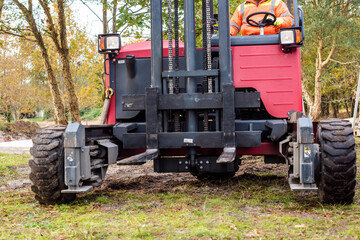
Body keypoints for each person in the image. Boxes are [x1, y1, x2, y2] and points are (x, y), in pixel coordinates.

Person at [230, 0, 294, 36]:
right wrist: (229, 33)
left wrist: (276, 21)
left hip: (273, 41)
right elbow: (233, 26)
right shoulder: (241, 7)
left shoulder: (276, 3)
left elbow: (289, 20)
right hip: (247, 42)